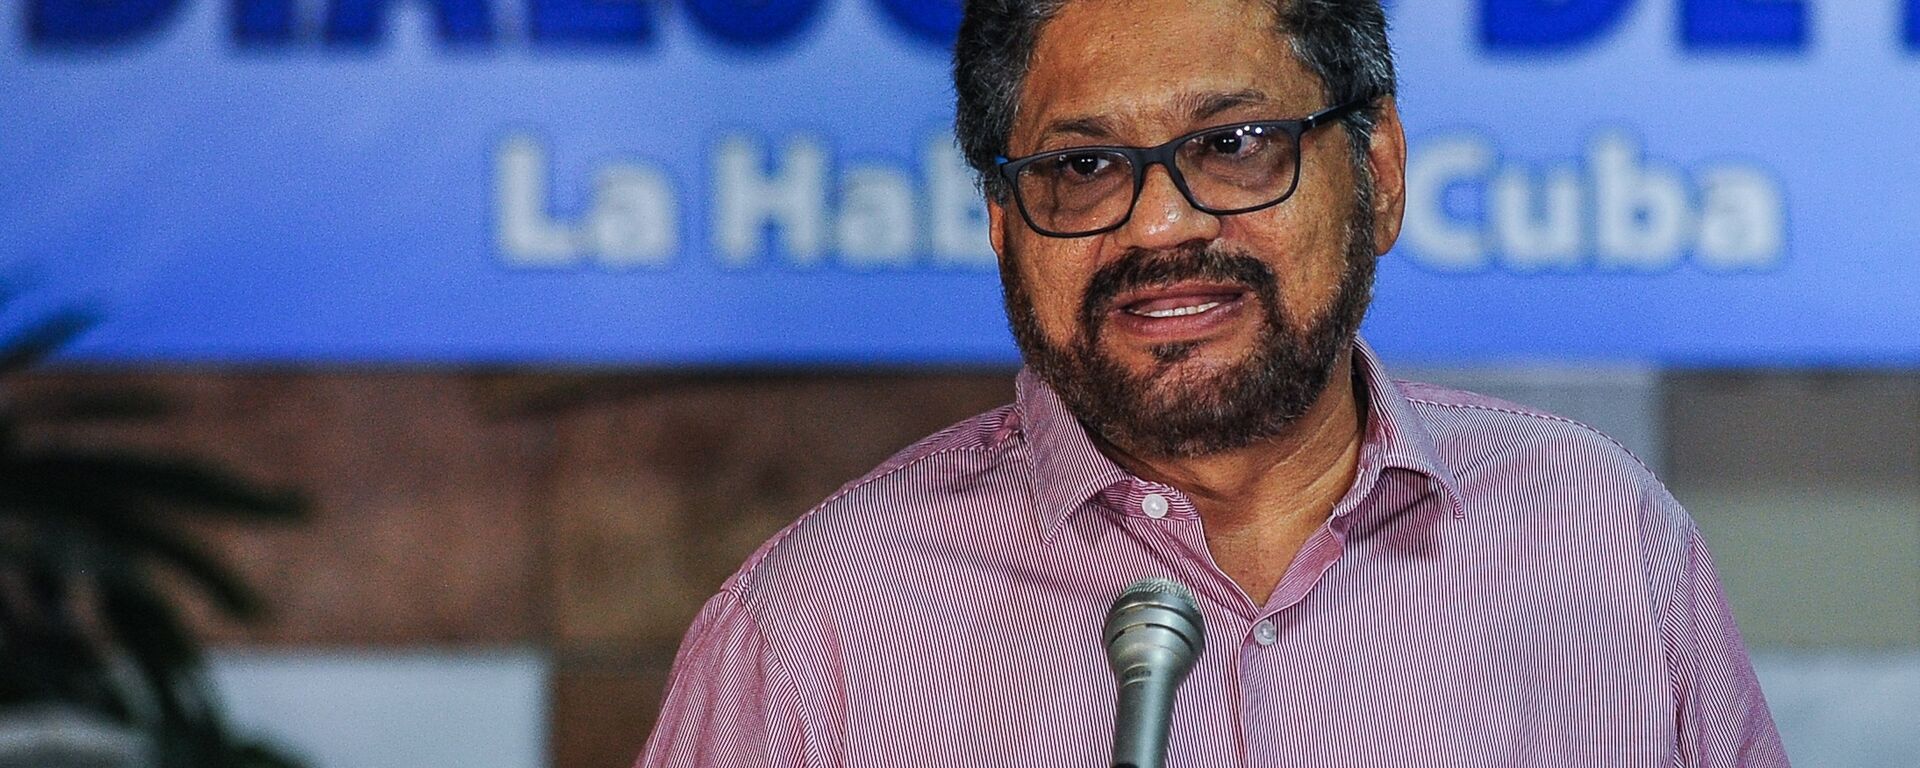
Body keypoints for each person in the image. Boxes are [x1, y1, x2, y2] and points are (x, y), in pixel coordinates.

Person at [637, 0, 1789, 765]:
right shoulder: (815, 632)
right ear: (1001, 221)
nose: (1164, 223)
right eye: (1084, 167)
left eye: (1235, 146)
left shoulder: (1602, 542)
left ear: (1377, 171)